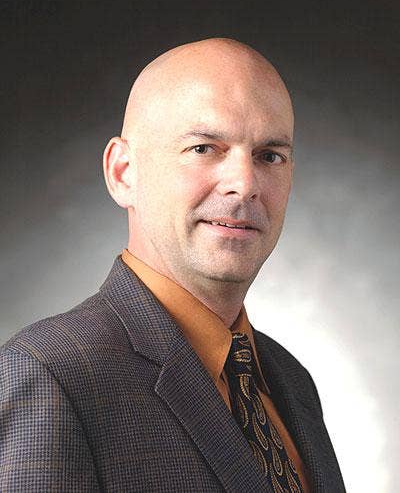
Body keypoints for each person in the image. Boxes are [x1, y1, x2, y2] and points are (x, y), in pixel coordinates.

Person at [0, 38, 345, 492]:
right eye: (204, 148)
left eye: (270, 156)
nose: (245, 184)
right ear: (123, 172)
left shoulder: (291, 382)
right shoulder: (51, 375)